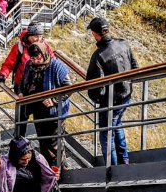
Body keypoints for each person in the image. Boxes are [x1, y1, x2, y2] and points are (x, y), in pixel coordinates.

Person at [85, 15, 139, 166]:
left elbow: (95, 86)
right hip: (126, 95)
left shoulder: (99, 56)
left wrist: (98, 100)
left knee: (106, 134)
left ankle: (113, 169)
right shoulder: (124, 44)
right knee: (117, 124)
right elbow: (135, 68)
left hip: (110, 102)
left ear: (95, 34)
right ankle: (125, 160)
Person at [15, 40, 72, 163]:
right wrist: (20, 92)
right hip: (37, 110)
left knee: (54, 144)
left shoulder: (56, 66)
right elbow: (22, 82)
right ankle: (47, 172)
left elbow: (68, 88)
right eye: (33, 58)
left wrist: (54, 100)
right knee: (43, 142)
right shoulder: (29, 65)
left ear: (44, 53)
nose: (35, 61)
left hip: (54, 113)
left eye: (38, 58)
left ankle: (59, 171)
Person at [0, 22, 48, 93]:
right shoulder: (19, 47)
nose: (38, 39)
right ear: (29, 35)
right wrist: (2, 75)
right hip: (21, 85)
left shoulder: (45, 45)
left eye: (40, 36)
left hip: (40, 85)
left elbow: (52, 60)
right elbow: (9, 63)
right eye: (36, 36)